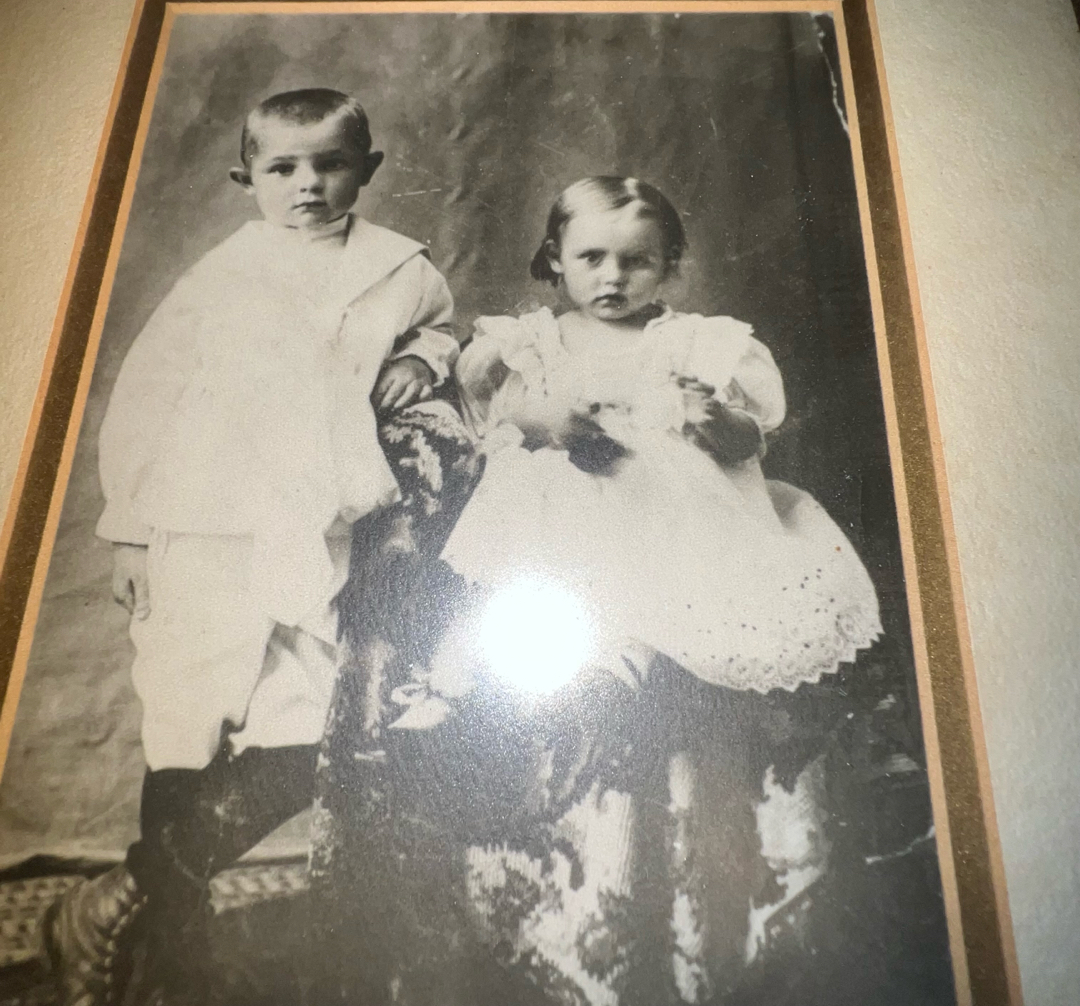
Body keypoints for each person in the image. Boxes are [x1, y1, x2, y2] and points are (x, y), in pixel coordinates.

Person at [389, 176, 882, 1003]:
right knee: (533, 614)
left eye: (637, 262)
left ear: (671, 265)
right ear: (555, 259)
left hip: (674, 533)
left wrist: (711, 419)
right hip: (561, 532)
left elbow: (747, 437)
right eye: (592, 258)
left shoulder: (697, 344)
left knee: (670, 630)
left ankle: (637, 692)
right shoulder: (528, 341)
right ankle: (476, 698)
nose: (613, 277)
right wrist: (546, 421)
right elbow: (500, 420)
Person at [45, 88, 464, 1006]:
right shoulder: (221, 277)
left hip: (317, 526)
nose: (308, 185)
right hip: (206, 523)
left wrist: (420, 359)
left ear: (367, 170)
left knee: (317, 722)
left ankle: (121, 895)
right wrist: (130, 531)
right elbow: (148, 395)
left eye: (330, 165)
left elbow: (439, 331)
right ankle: (174, 959)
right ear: (247, 179)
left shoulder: (400, 266)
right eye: (283, 168)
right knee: (189, 717)